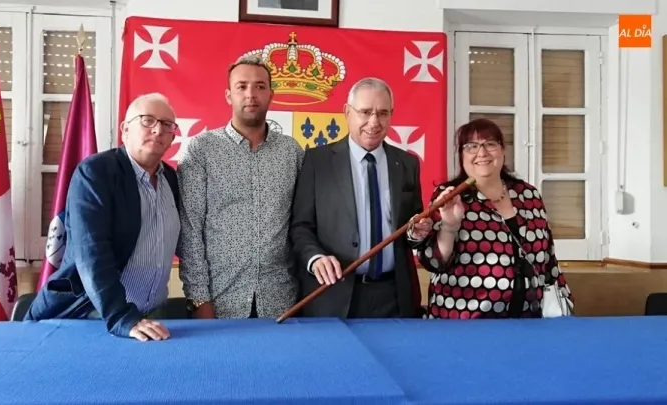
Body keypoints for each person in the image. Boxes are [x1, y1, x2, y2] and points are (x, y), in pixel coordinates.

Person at [25, 93, 181, 342]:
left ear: (173, 137)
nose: (158, 130)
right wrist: (121, 317)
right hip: (93, 315)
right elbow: (92, 251)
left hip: (148, 319)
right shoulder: (96, 172)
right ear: (125, 129)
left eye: (167, 125)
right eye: (148, 120)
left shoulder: (171, 179)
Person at [289, 77, 430, 319]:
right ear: (347, 112)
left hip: (395, 297)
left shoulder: (407, 163)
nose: (374, 122)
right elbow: (301, 226)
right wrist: (315, 257)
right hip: (334, 295)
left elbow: (412, 228)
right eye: (365, 112)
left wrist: (418, 233)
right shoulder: (317, 162)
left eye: (382, 113)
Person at [176, 56, 304, 319]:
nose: (251, 94)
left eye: (260, 86)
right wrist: (199, 299)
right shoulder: (202, 150)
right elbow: (189, 229)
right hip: (219, 300)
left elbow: (302, 222)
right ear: (228, 95)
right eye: (242, 86)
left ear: (271, 94)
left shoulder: (291, 152)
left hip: (281, 300)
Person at [415, 118, 575, 319]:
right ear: (461, 156)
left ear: (502, 150)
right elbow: (434, 262)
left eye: (490, 144)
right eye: (471, 146)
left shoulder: (529, 195)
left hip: (530, 318)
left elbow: (548, 258)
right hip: (467, 320)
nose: (482, 153)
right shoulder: (450, 196)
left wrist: (563, 304)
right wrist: (449, 226)